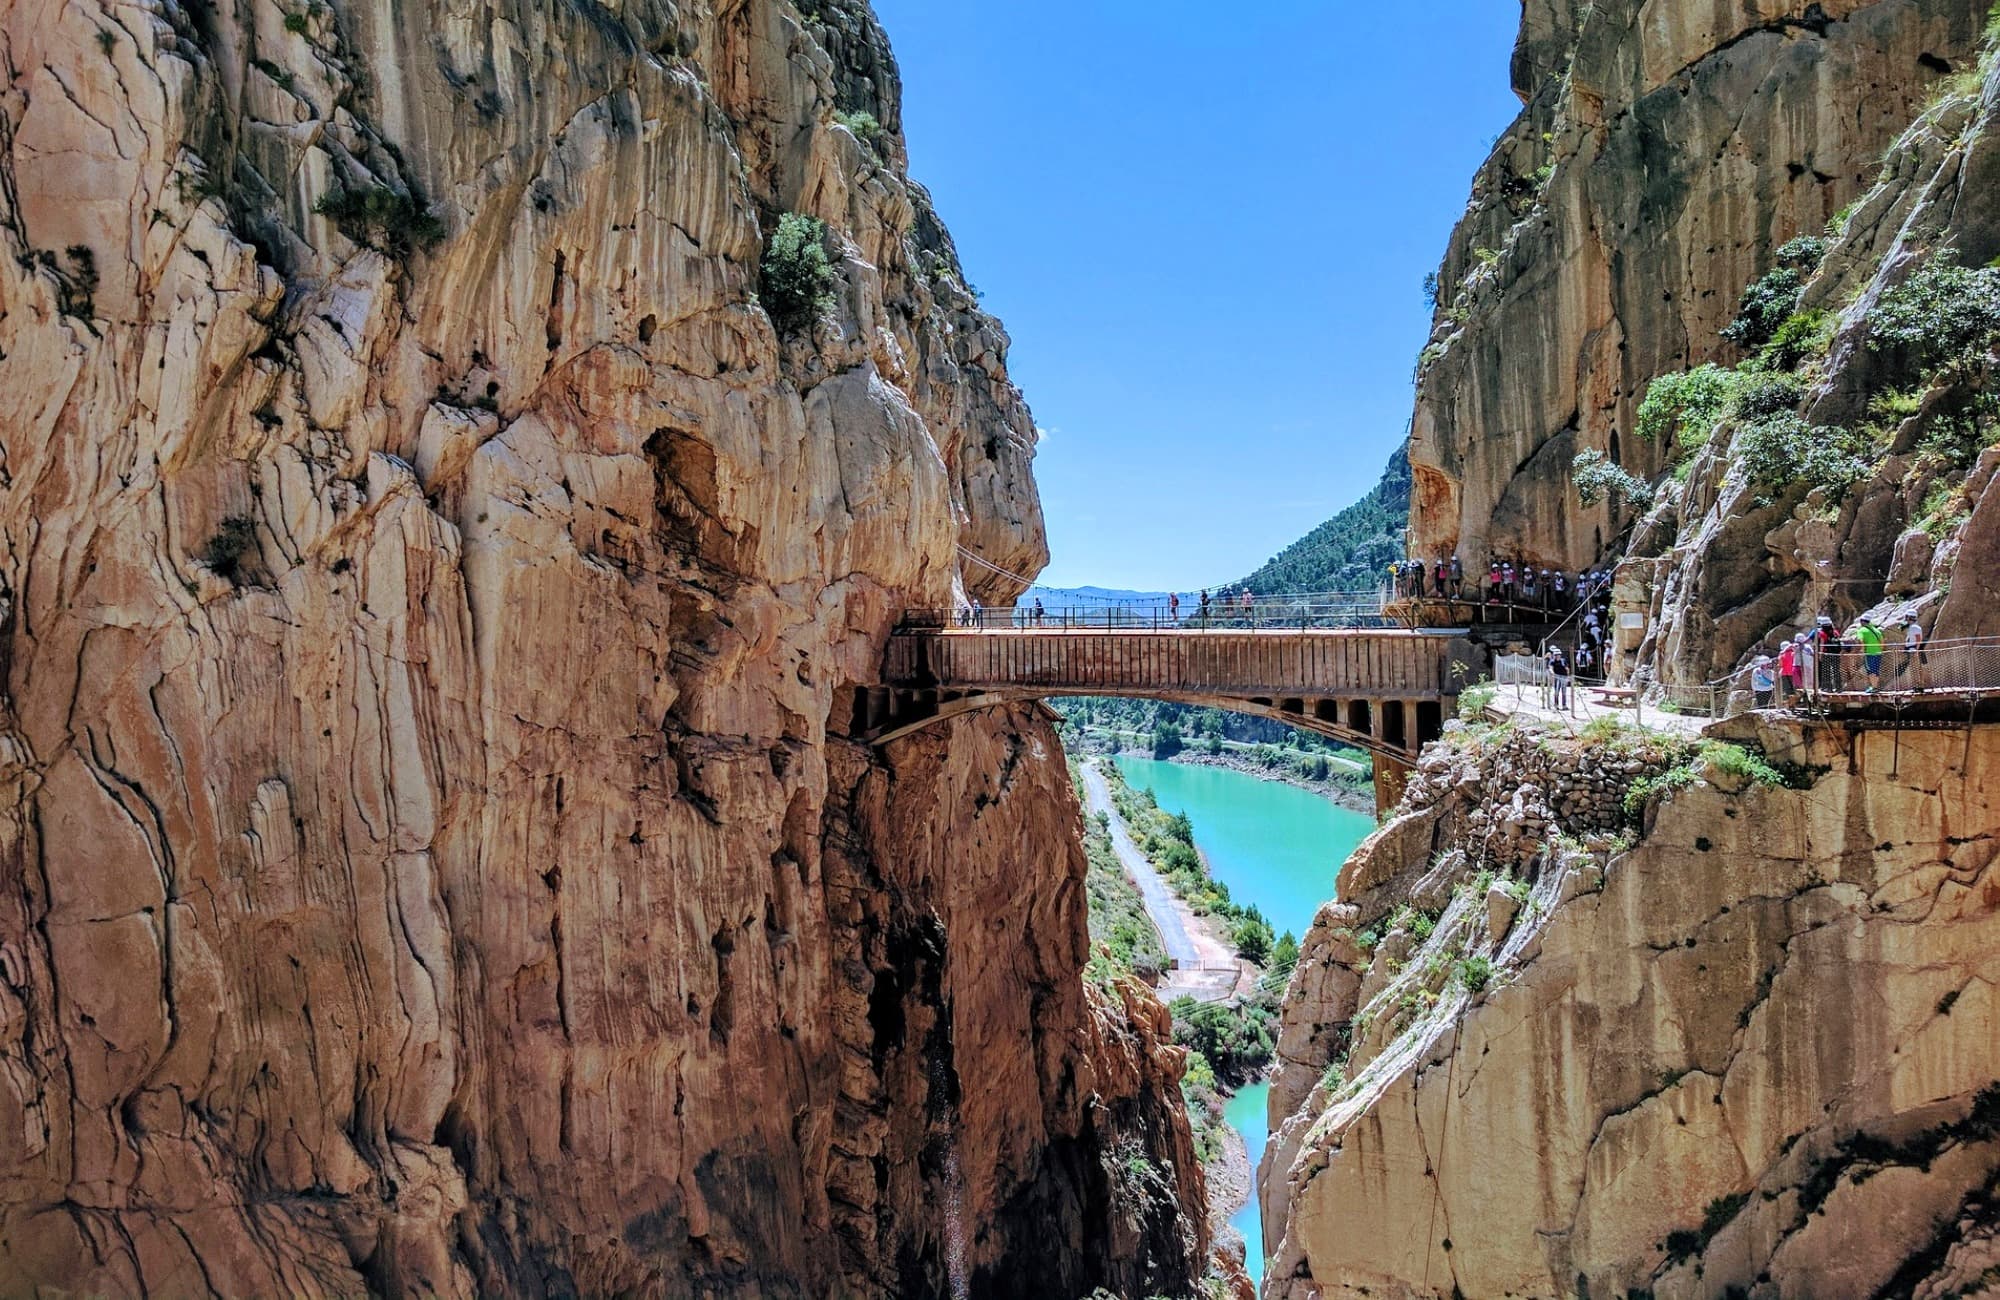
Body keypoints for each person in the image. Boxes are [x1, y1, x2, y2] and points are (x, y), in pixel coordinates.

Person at [1854, 615, 1886, 694]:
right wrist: (1880, 650)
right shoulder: (1876, 630)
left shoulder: (1861, 630)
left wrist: (1862, 651)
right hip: (1878, 653)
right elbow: (1882, 642)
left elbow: (1861, 641)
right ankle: (1875, 686)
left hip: (1869, 653)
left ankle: (1874, 688)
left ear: (1862, 621)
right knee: (1875, 670)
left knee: (1870, 671)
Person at [1902, 618, 1927, 689]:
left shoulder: (1914, 627)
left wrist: (1916, 650)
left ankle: (1919, 685)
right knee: (1915, 668)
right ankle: (1917, 685)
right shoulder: (1912, 627)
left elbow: (1918, 639)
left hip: (1914, 650)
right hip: (1912, 650)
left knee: (1916, 668)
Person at [1547, 645, 1572, 709]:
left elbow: (1567, 668)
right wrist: (1553, 673)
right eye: (1556, 655)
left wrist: (1568, 677)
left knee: (1564, 691)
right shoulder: (1552, 661)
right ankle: (1556, 705)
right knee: (1557, 691)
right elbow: (1550, 668)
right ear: (1554, 655)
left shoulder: (1563, 660)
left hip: (1564, 677)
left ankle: (1564, 705)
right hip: (1557, 677)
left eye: (1559, 655)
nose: (1558, 656)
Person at [1796, 630, 1818, 702]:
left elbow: (1812, 653)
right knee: (1805, 680)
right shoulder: (1796, 647)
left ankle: (1809, 691)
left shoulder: (1806, 647)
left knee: (1808, 679)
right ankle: (1806, 693)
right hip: (1804, 665)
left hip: (1806, 665)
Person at [1778, 636, 1798, 703]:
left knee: (1787, 690)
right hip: (1793, 673)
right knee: (1795, 689)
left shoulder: (1781, 654)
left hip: (1784, 674)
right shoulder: (1794, 653)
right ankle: (1796, 702)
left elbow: (1780, 665)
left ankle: (1790, 704)